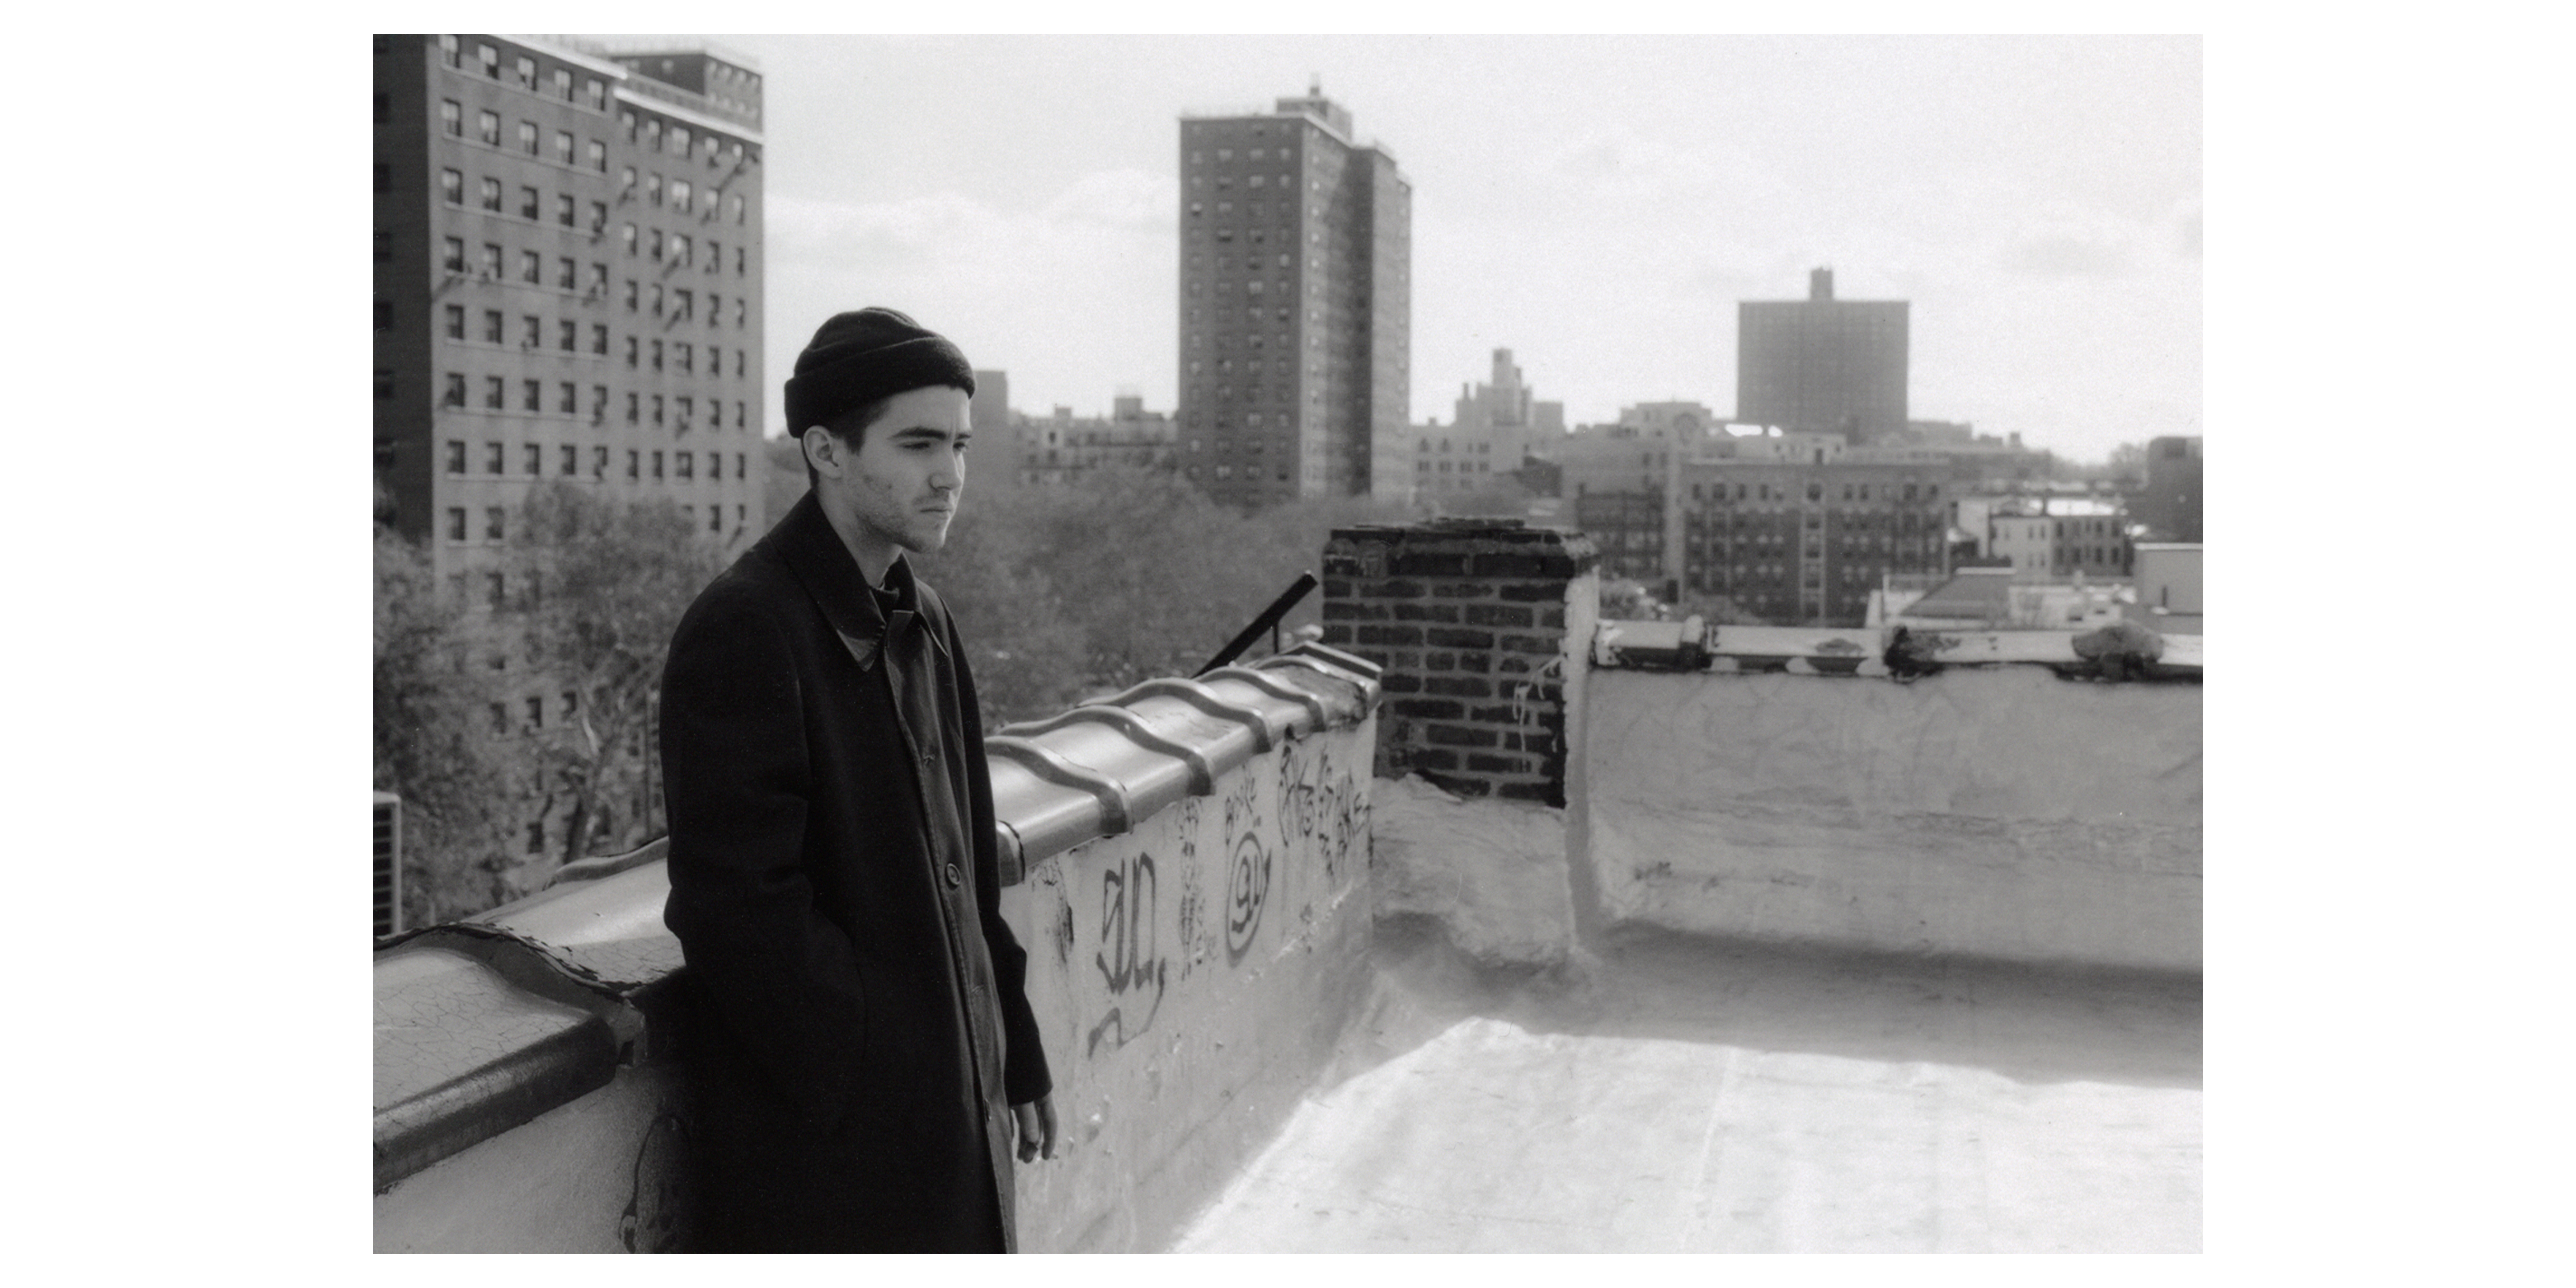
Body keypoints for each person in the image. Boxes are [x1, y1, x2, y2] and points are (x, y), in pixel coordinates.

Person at [659, 308, 1057, 1252]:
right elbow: (736, 908)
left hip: (951, 1114)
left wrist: (1015, 1050)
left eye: (958, 445)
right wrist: (887, 1059)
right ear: (827, 451)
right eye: (918, 444)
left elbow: (969, 871)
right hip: (830, 1164)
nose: (950, 475)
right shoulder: (747, 626)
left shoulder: (926, 620)